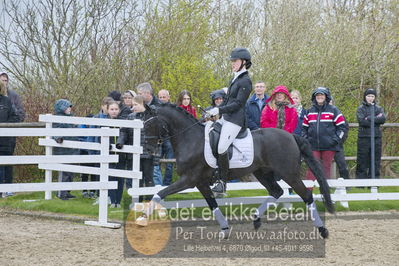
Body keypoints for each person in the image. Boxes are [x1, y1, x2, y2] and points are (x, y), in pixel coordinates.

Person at [206, 47, 252, 194]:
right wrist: (215, 111)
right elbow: (227, 100)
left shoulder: (245, 81)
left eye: (235, 61)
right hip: (226, 118)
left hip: (236, 121)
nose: (232, 64)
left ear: (244, 62)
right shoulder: (235, 78)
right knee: (209, 134)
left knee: (221, 147)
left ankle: (222, 182)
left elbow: (238, 104)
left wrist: (220, 110)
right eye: (232, 61)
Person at [302, 87, 346, 181]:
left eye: (321, 95)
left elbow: (342, 128)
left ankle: (325, 191)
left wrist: (335, 140)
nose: (319, 97)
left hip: (329, 146)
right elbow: (304, 129)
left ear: (326, 96)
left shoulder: (334, 110)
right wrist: (306, 140)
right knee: (312, 167)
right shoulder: (309, 111)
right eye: (317, 95)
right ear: (314, 97)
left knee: (326, 168)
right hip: (313, 146)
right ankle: (308, 191)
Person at [116, 95, 155, 201]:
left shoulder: (151, 117)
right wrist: (120, 142)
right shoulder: (130, 116)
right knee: (137, 178)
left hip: (148, 153)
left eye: (136, 105)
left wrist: (155, 152)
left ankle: (150, 200)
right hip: (134, 154)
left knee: (149, 178)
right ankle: (137, 199)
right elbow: (124, 131)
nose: (134, 107)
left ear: (143, 104)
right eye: (133, 105)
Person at [0, 73, 24, 197]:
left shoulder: (12, 97)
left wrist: (7, 127)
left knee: (7, 162)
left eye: (6, 80)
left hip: (8, 137)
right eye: (2, 80)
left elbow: (19, 114)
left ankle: (8, 188)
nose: (4, 83)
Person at [356, 88, 386, 179]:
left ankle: (374, 181)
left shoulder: (379, 108)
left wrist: (368, 117)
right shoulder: (360, 108)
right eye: (368, 96)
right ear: (365, 97)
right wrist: (375, 118)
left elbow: (382, 119)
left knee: (376, 160)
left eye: (372, 96)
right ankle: (360, 183)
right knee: (362, 160)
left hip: (376, 137)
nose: (370, 98)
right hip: (364, 137)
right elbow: (362, 122)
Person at [53, 99, 78, 200]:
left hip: (72, 149)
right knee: (64, 172)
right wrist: (59, 137)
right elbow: (55, 131)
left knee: (70, 172)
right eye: (68, 107)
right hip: (62, 150)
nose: (69, 109)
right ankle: (61, 193)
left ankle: (67, 191)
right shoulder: (57, 119)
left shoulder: (71, 118)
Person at [0, 82, 18, 198]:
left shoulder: (6, 101)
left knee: (6, 165)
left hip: (5, 140)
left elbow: (15, 117)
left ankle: (6, 189)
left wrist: (5, 126)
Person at [153, 89, 174, 186]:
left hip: (170, 138)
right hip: (158, 139)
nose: (161, 99)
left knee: (169, 164)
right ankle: (158, 185)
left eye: (163, 97)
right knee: (157, 163)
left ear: (168, 97)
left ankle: (167, 185)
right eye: (160, 97)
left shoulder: (173, 109)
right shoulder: (155, 109)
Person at [330, 96, 350, 179]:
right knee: (323, 166)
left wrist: (339, 140)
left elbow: (344, 128)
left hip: (337, 144)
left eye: (330, 101)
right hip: (324, 144)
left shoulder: (338, 113)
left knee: (342, 165)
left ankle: (346, 184)